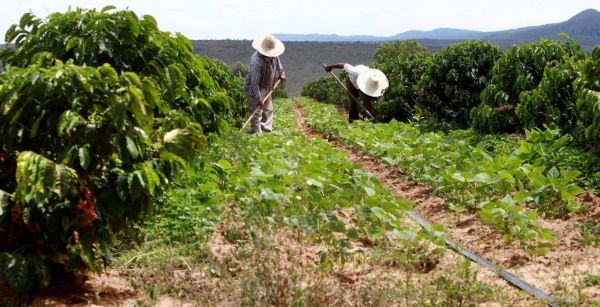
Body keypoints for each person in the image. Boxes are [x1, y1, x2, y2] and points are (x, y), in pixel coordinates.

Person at [244, 34, 286, 133]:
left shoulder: (274, 55)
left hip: (268, 86)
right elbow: (254, 84)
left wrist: (282, 73)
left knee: (268, 110)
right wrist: (259, 98)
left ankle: (266, 132)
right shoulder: (257, 61)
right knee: (257, 112)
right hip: (254, 89)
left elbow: (279, 66)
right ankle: (257, 135)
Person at [323, 63, 388, 122]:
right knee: (353, 102)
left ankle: (368, 122)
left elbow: (381, 99)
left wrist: (383, 112)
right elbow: (344, 65)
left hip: (367, 84)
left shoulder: (375, 83)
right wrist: (330, 66)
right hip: (352, 82)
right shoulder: (356, 72)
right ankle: (353, 122)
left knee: (367, 104)